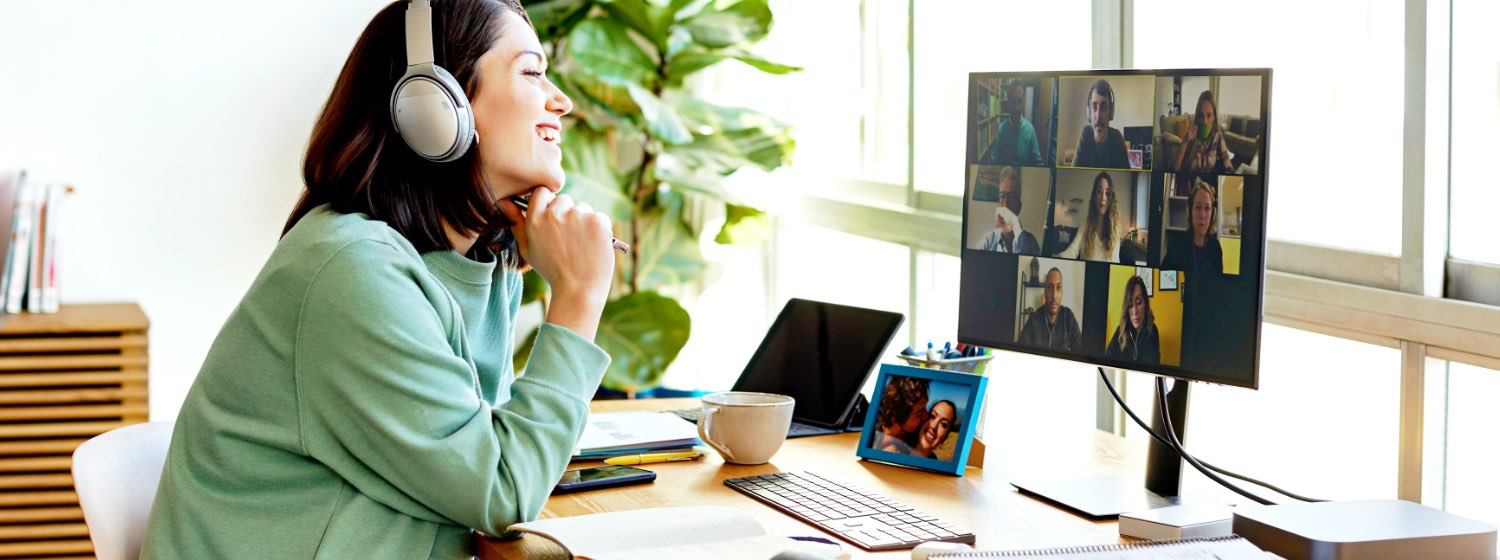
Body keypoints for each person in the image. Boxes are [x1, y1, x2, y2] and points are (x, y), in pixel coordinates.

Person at [141, 2, 617, 558]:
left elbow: (481, 464)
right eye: (533, 72)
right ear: (435, 105)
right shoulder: (352, 271)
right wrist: (580, 296)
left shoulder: (474, 264)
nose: (561, 101)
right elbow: (504, 492)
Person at [1161, 178, 1224, 274]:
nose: (1202, 215)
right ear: (1190, 211)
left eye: (1207, 208)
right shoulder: (1177, 244)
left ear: (1213, 214)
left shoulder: (1215, 248)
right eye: (1198, 207)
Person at [1055, 171, 1122, 263]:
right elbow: (1072, 251)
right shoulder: (1085, 225)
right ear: (1094, 196)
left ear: (1111, 198)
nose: (1103, 197)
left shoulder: (1115, 230)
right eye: (1099, 191)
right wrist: (1057, 257)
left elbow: (1116, 262)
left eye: (1107, 193)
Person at [979, 166, 1041, 254]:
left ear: (1019, 207)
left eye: (1011, 196)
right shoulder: (988, 240)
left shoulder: (1031, 243)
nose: (1006, 203)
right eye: (1002, 196)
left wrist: (1017, 230)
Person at [1017, 267, 1082, 350]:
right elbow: (1021, 350)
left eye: (1058, 288)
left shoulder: (1068, 317)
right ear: (1044, 292)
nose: (1054, 295)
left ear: (1062, 292)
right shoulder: (1034, 319)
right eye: (1049, 287)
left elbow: (1082, 349)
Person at [1173, 90, 1235, 174]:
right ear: (1197, 117)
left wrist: (1230, 171)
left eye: (1209, 115)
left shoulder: (1218, 136)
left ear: (1214, 118)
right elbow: (1175, 169)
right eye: (1201, 116)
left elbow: (1226, 158)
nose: (1204, 121)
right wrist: (1185, 141)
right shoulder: (1191, 136)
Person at [1072, 79, 1129, 168]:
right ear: (1089, 113)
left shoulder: (1117, 139)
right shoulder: (1085, 134)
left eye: (1104, 107)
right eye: (1094, 107)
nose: (1098, 116)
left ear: (1111, 112)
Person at [1106, 275, 1161, 363]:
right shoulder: (1120, 331)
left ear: (1145, 303)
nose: (1135, 311)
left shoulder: (1152, 331)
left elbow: (1154, 366)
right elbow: (1107, 358)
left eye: (1138, 302)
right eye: (1130, 305)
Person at [870, 376, 930, 454]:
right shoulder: (871, 436)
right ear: (896, 416)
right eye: (919, 412)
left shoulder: (916, 436)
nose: (926, 416)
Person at [990, 83, 1044, 166]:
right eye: (1013, 101)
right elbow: (993, 161)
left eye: (1019, 101)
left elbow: (1038, 163)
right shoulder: (1000, 131)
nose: (1016, 107)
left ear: (1024, 102)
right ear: (1008, 102)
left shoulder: (1030, 129)